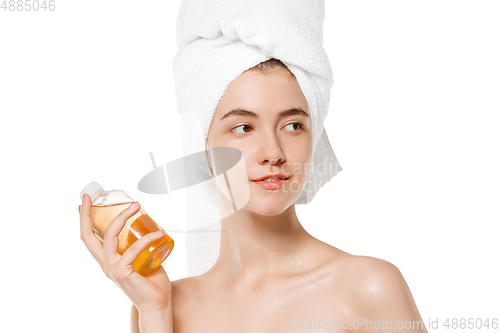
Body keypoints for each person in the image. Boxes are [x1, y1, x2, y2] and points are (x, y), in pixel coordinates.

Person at [79, 58, 428, 332]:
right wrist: (155, 311)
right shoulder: (166, 304)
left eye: (293, 126)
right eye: (243, 127)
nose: (273, 152)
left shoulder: (368, 287)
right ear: (202, 146)